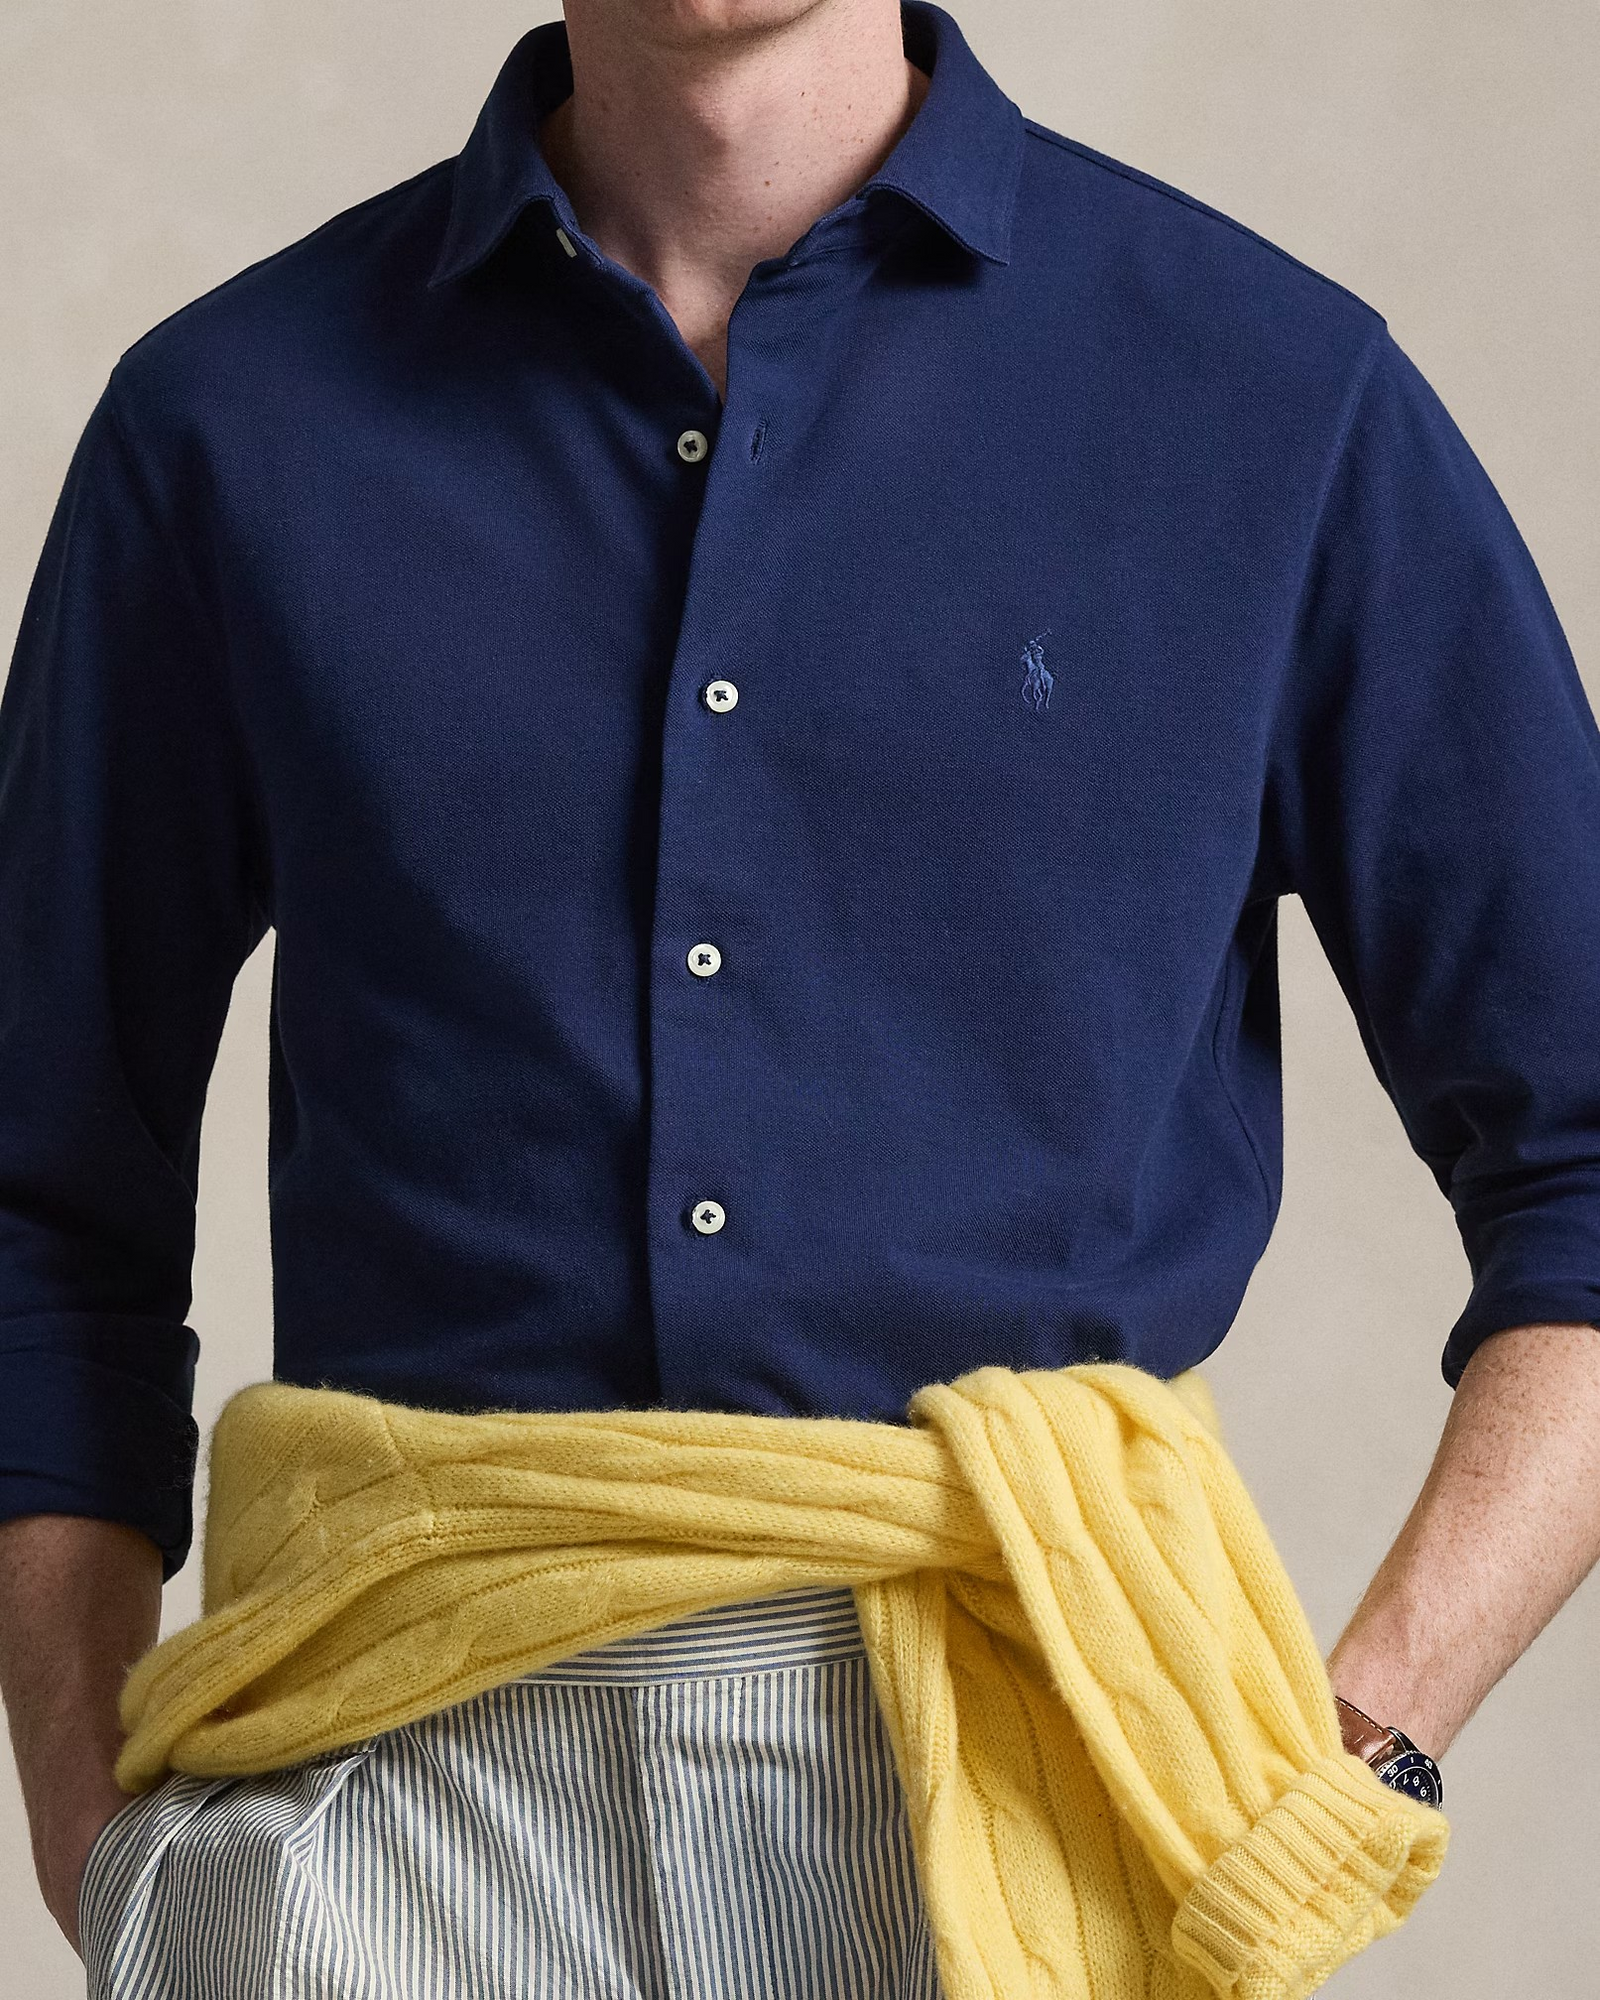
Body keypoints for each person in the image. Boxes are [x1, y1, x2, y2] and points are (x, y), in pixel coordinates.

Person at [3, 0, 1599, 1990]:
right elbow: (42, 1195)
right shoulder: (226, 423)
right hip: (379, 1809)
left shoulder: (1271, 394)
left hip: (1030, 1801)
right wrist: (90, 1829)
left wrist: (1364, 1733)